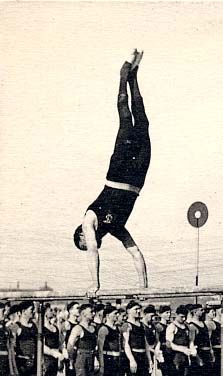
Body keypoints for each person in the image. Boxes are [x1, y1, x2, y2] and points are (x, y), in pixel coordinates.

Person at [74, 52, 151, 295]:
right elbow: (135, 252)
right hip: (137, 179)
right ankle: (134, 77)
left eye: (84, 243)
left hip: (118, 173)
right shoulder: (115, 227)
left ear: (82, 233)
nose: (90, 245)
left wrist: (95, 284)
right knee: (143, 122)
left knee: (126, 118)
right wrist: (143, 287)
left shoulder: (90, 219)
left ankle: (123, 75)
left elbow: (94, 250)